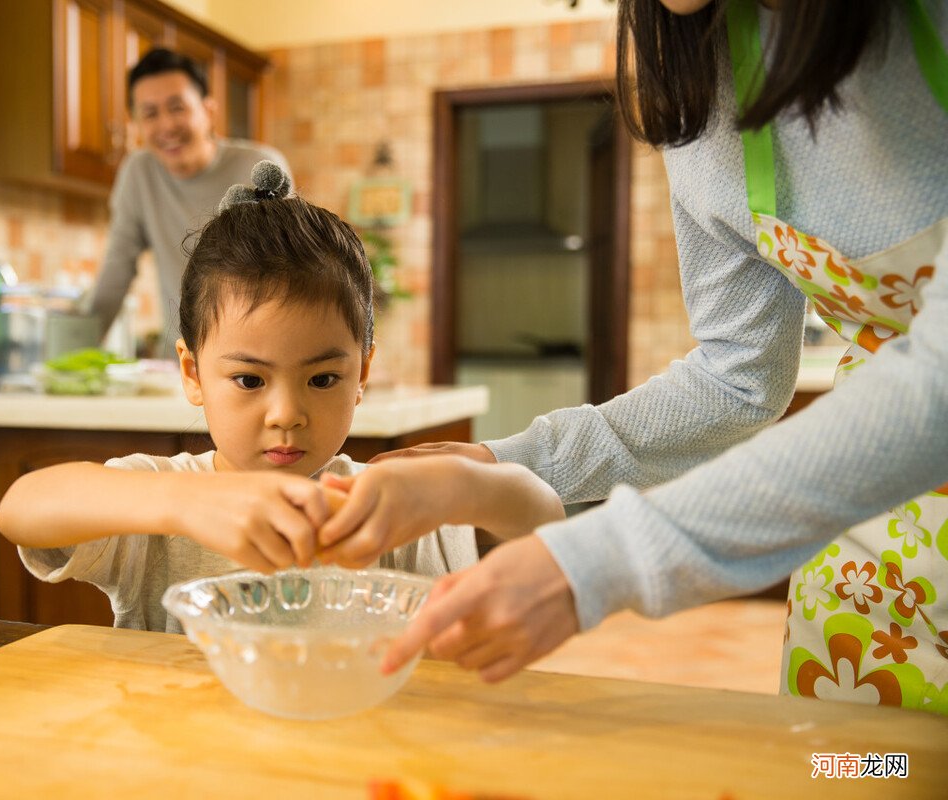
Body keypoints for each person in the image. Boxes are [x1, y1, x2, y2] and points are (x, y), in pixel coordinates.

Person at [324, 0, 948, 714]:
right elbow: (738, 377)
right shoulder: (701, 87)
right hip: (884, 527)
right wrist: (504, 463)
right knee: (861, 773)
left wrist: (599, 562)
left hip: (901, 437)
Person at [0, 162, 565, 633]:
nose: (287, 414)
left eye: (322, 379)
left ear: (362, 372)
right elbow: (22, 507)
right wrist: (183, 504)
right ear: (192, 372)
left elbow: (544, 519)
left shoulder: (384, 510)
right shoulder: (166, 507)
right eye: (249, 380)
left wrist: (463, 484)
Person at [86, 48, 290, 355]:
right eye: (150, 113)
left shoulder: (260, 167)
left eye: (177, 107)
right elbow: (116, 271)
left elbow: (290, 269)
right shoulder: (138, 173)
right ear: (137, 124)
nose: (166, 126)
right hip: (182, 363)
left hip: (256, 361)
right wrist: (68, 357)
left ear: (208, 111)